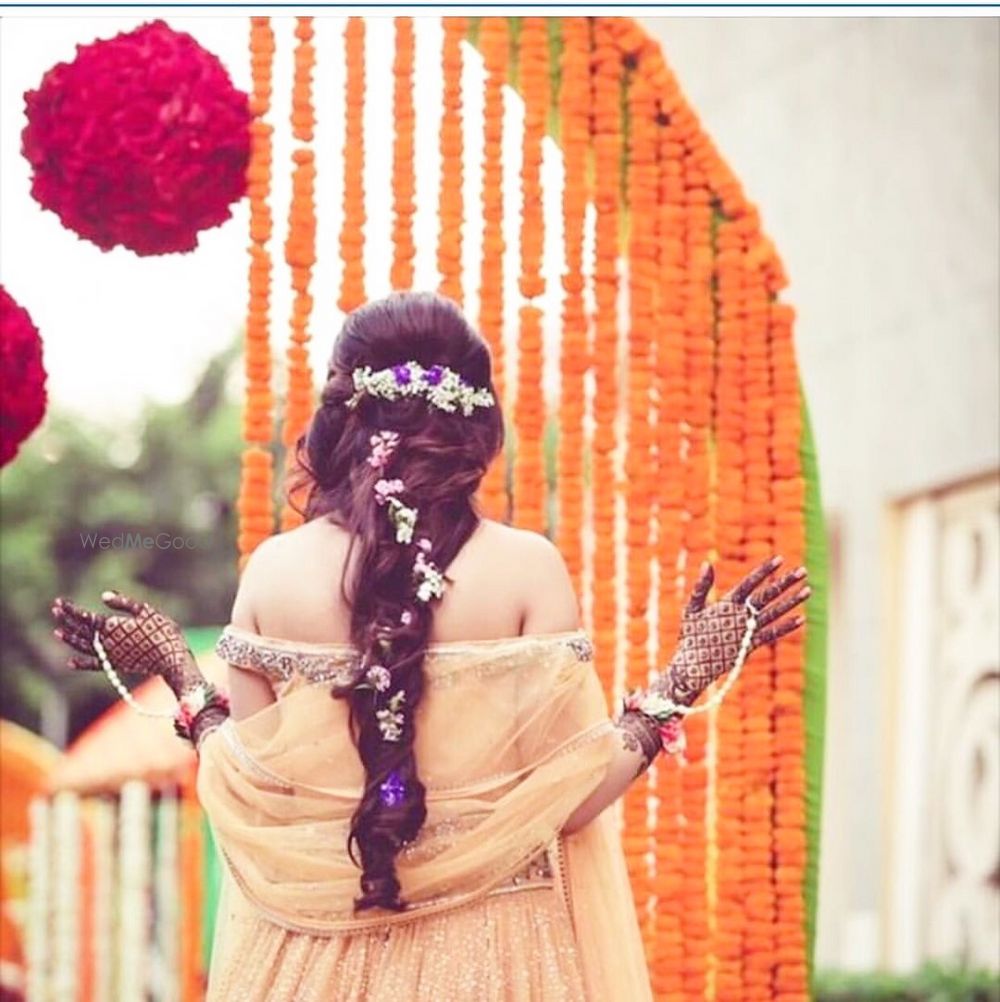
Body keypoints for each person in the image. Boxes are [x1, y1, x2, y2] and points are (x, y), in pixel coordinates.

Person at [51, 290, 810, 1001]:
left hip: (314, 961)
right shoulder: (525, 568)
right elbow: (572, 801)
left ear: (341, 417)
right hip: (499, 956)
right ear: (475, 424)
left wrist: (179, 672)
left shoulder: (275, 572)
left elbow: (254, 793)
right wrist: (685, 675)